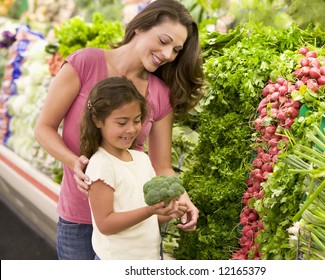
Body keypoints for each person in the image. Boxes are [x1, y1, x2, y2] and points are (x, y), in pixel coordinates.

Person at [34, 0, 203, 260]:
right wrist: (74, 161)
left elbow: (162, 165)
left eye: (176, 49)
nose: (168, 54)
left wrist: (182, 196)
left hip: (133, 225)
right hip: (78, 221)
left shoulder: (160, 94)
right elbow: (43, 128)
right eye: (164, 40)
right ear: (140, 28)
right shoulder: (85, 63)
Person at [80, 76, 186, 260]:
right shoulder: (101, 164)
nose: (131, 129)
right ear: (97, 120)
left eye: (137, 120)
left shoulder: (141, 158)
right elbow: (105, 224)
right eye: (122, 123)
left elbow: (146, 221)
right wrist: (150, 210)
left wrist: (169, 212)